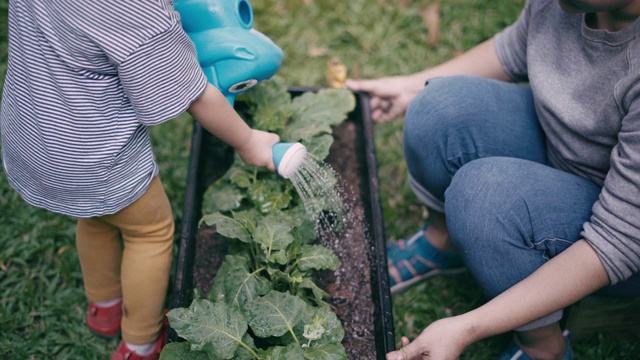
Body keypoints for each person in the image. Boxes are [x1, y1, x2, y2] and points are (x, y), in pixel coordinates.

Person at [346, 0, 640, 359]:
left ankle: (542, 346)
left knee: (484, 196)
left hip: (621, 231)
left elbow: (619, 241)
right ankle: (445, 244)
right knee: (436, 103)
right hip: (565, 152)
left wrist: (468, 326)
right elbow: (516, 46)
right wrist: (410, 87)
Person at [0, 1, 279, 359]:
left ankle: (104, 308)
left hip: (36, 131)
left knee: (96, 217)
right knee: (149, 232)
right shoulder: (136, 9)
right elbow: (189, 91)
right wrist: (249, 141)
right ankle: (140, 343)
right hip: (96, 158)